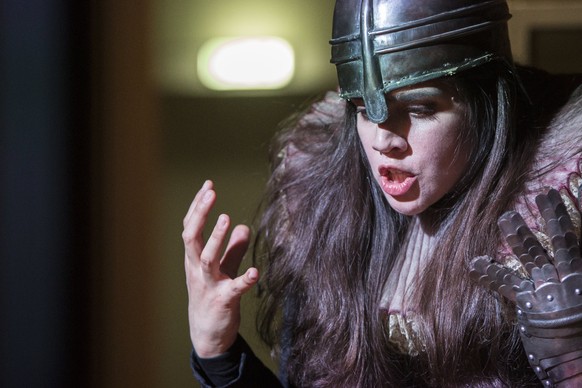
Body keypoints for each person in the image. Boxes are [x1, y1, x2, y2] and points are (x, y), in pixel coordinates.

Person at [183, 0, 582, 386]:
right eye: (361, 108)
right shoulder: (327, 226)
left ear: (488, 105)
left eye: (421, 108)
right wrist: (217, 352)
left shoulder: (559, 222)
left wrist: (570, 360)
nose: (383, 139)